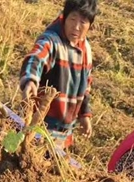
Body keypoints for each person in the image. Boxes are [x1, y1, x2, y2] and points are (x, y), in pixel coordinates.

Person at [20, 0, 98, 149]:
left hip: (64, 132)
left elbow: (86, 85)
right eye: (72, 19)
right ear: (64, 17)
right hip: (39, 126)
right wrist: (30, 80)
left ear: (90, 25)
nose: (76, 27)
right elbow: (36, 57)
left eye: (82, 22)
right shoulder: (52, 40)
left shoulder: (86, 48)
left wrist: (84, 114)